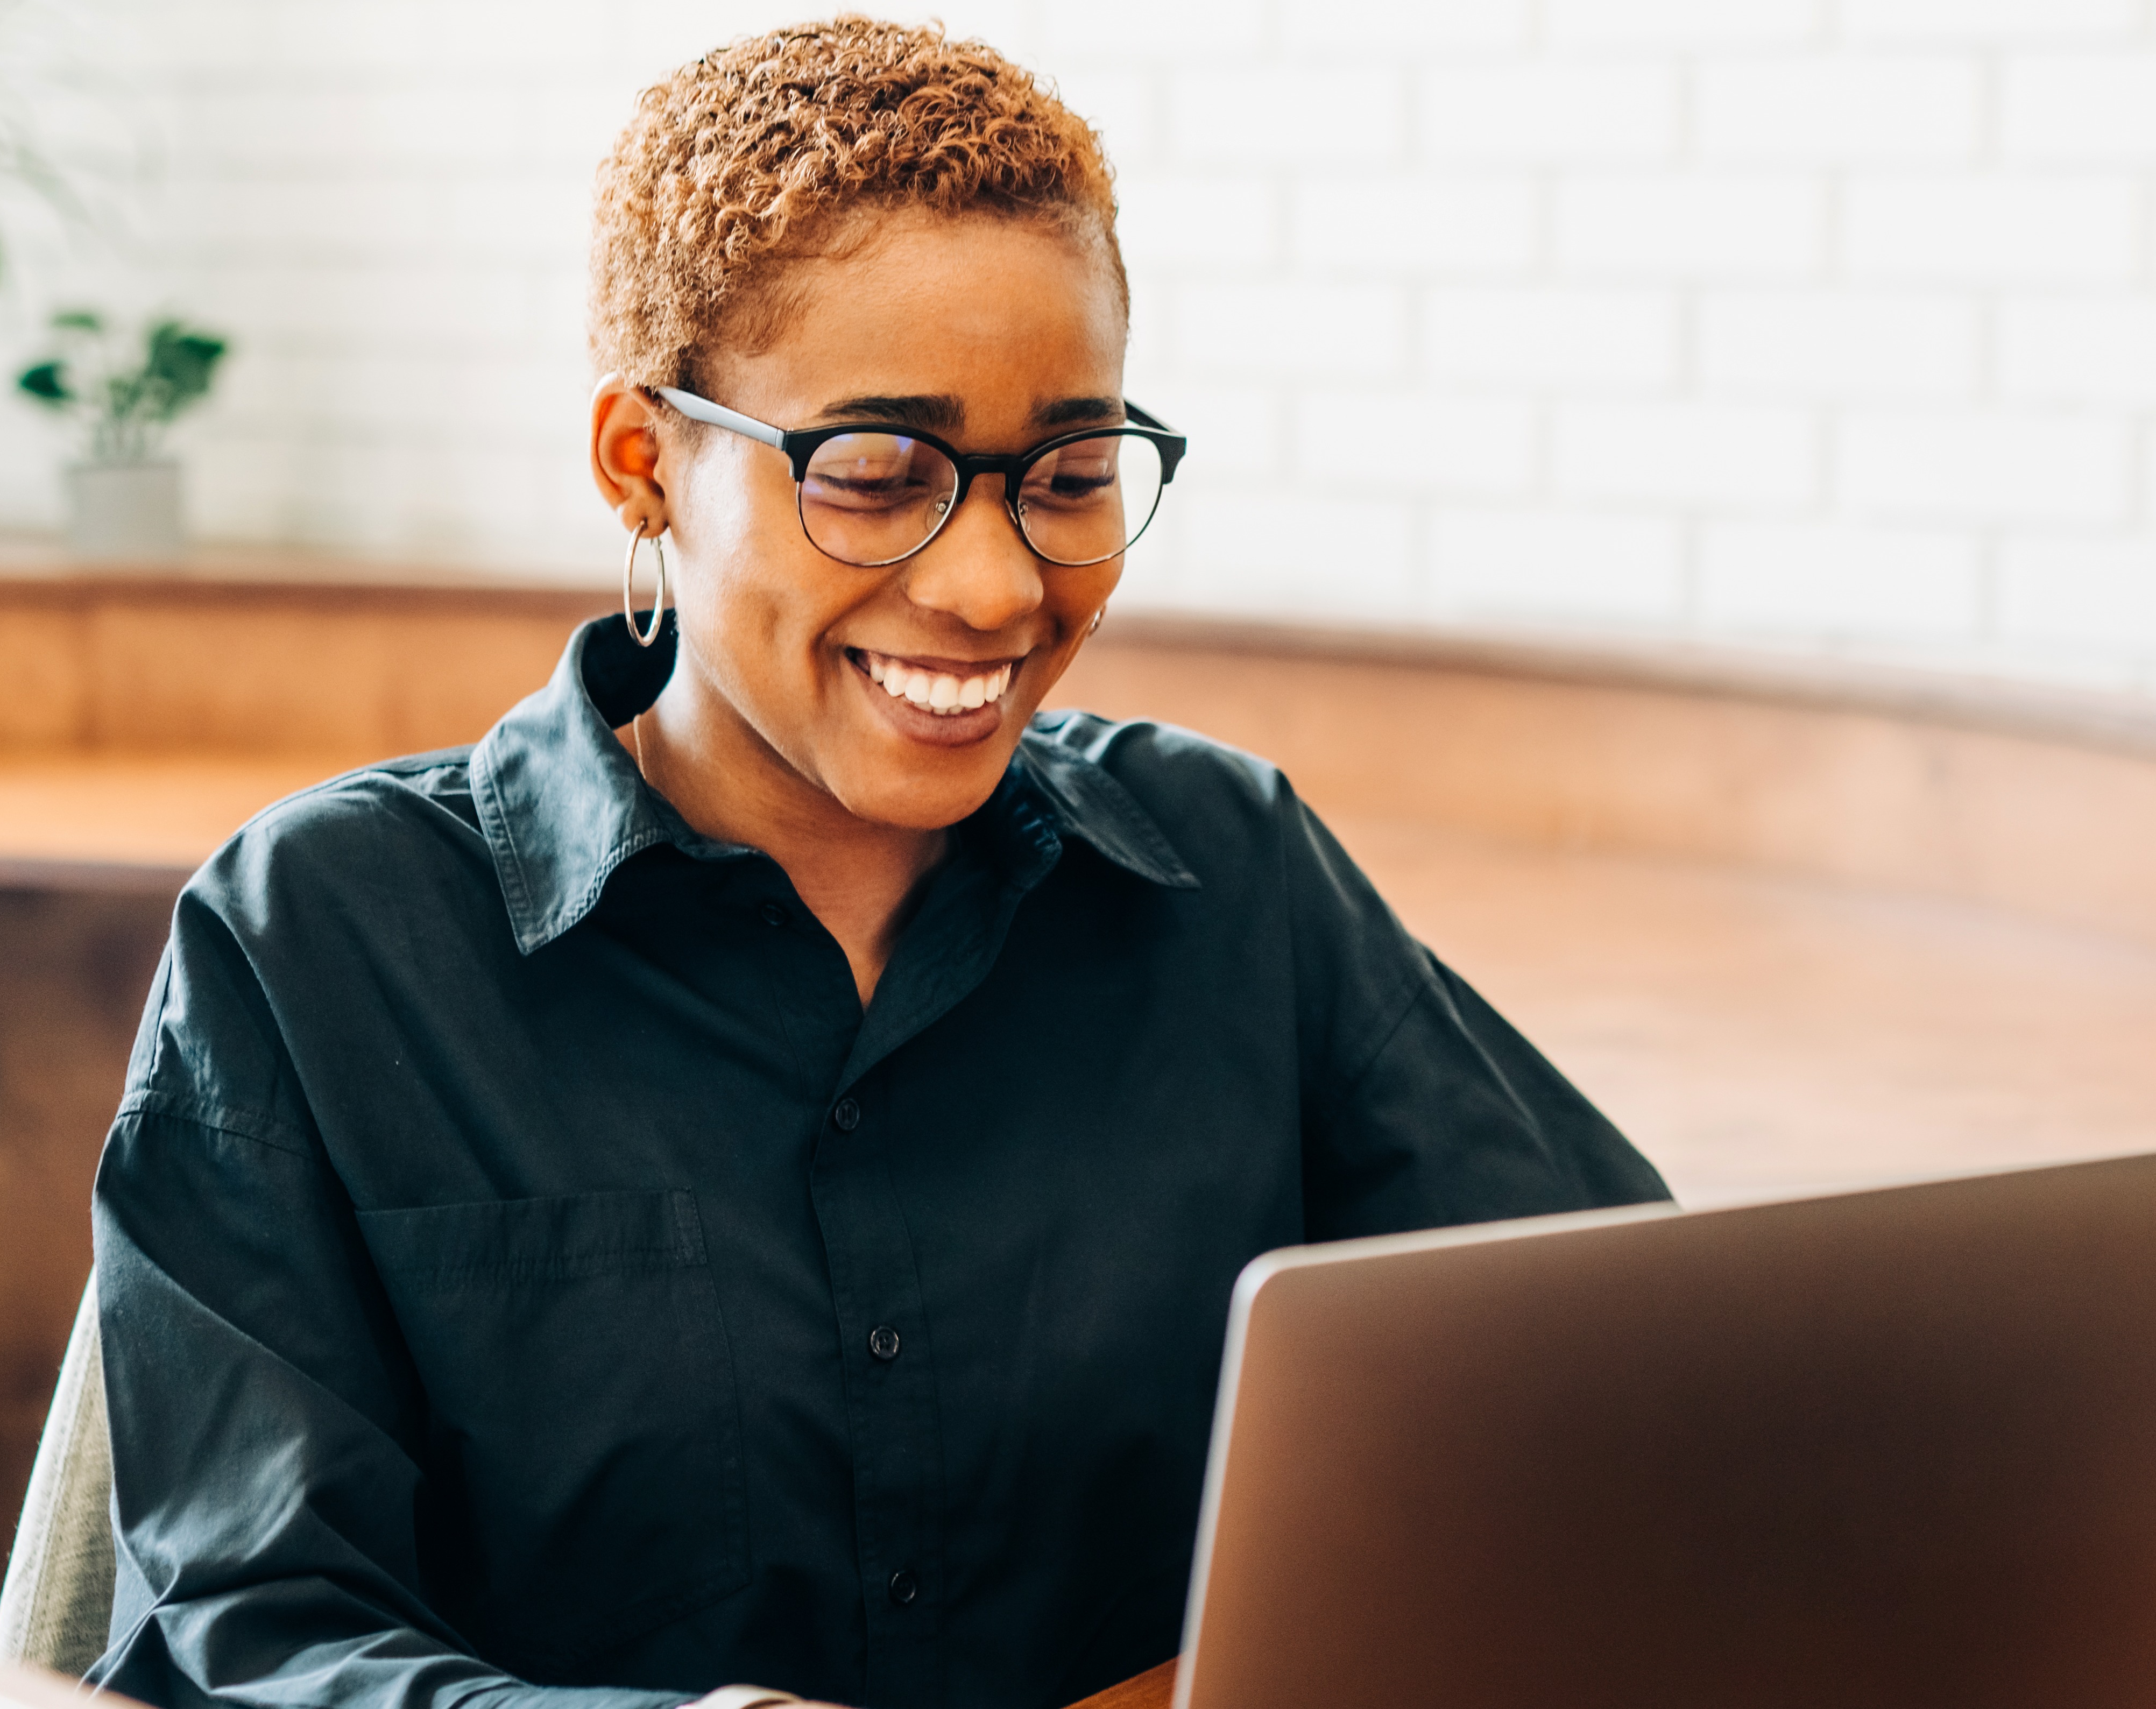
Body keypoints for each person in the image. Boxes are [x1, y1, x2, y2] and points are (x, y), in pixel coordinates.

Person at [84, 20, 1668, 1709]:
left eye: (1066, 477)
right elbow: (241, 1643)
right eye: (876, 476)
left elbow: (1631, 1382)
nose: (994, 587)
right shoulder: (322, 942)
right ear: (644, 463)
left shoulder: (1233, 875)